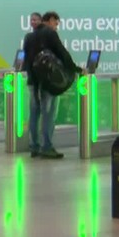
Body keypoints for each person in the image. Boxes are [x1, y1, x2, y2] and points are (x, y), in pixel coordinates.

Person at [23, 11, 79, 159]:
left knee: (34, 114)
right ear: (49, 20)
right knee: (48, 115)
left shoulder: (29, 37)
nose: (56, 26)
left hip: (33, 81)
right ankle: (46, 146)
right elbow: (62, 53)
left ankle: (34, 146)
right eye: (56, 22)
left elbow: (26, 60)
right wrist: (75, 69)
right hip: (48, 82)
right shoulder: (50, 34)